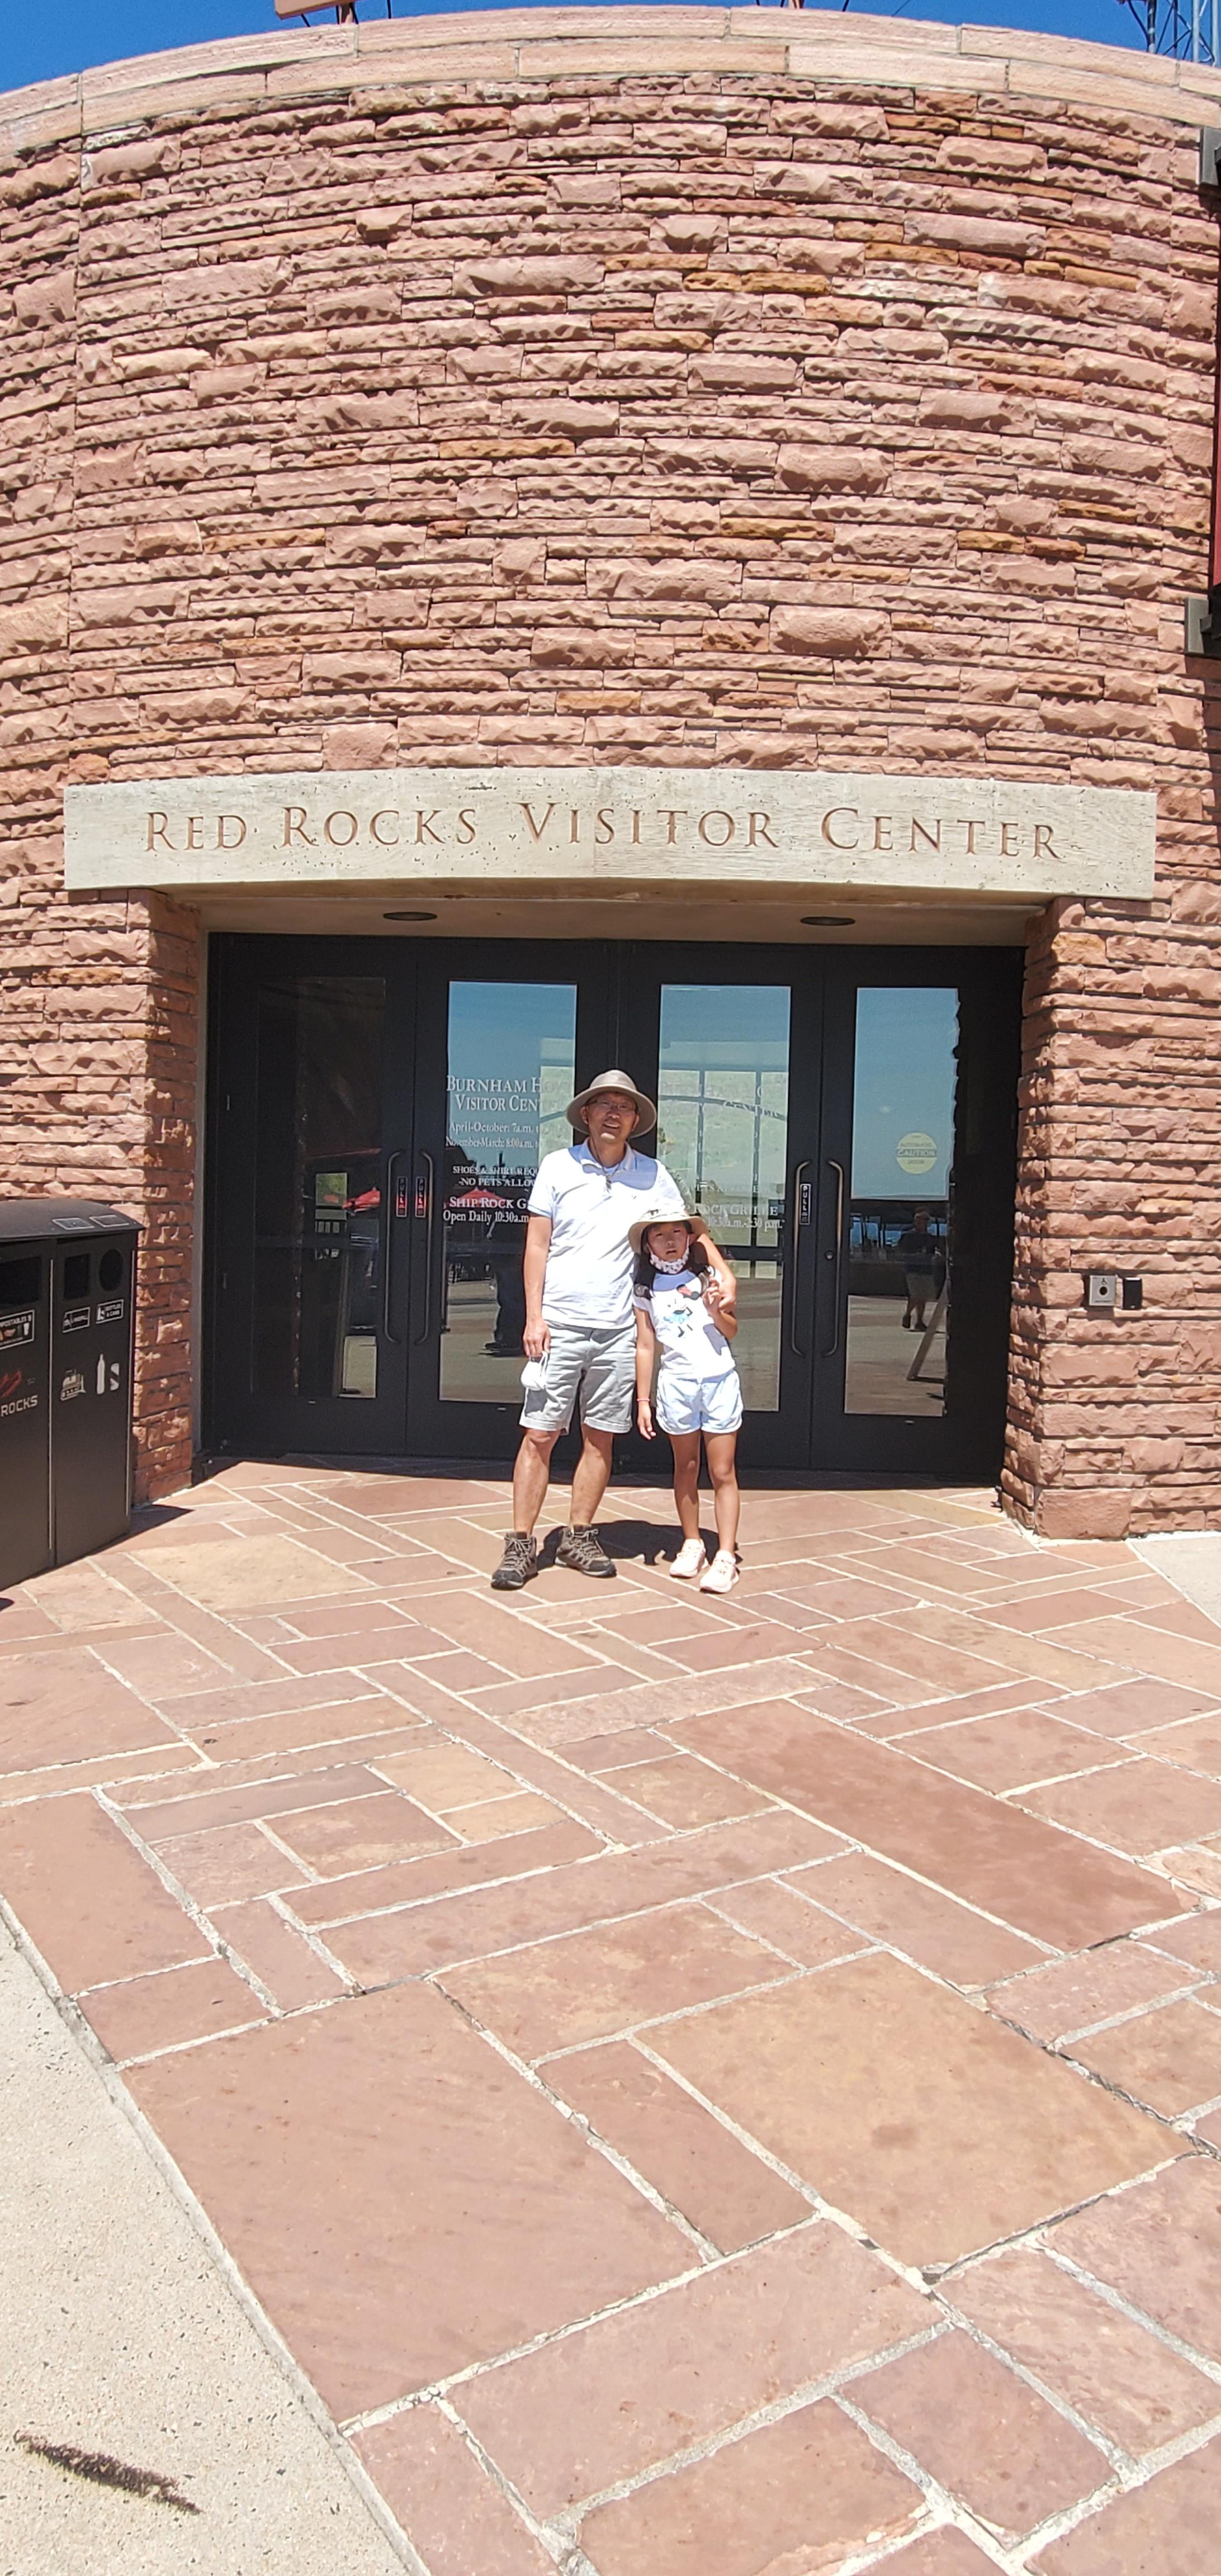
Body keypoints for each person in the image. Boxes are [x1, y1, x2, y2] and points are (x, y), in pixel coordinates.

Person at [490, 1071, 733, 1590]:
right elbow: (537, 1246)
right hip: (560, 1324)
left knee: (600, 1437)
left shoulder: (653, 1174)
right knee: (540, 1434)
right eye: (604, 1104)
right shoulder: (557, 1167)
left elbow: (686, 1229)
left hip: (621, 1327)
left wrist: (723, 1271)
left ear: (635, 1119)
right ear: (586, 1114)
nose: (614, 1114)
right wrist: (533, 1316)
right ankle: (521, 1543)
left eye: (624, 1106)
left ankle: (579, 1535)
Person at [633, 1210, 744, 1593]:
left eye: (677, 1233)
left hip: (718, 1381)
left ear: (689, 1238)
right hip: (677, 1385)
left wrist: (716, 1311)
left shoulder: (708, 1277)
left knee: (722, 1470)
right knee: (686, 1466)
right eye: (659, 1235)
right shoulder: (645, 1290)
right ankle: (692, 1542)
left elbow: (731, 1329)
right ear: (648, 1244)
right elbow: (646, 1345)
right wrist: (643, 1399)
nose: (670, 1241)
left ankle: (726, 1555)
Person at [895, 1208, 940, 1332]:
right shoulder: (908, 1236)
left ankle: (920, 1321)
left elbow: (934, 1250)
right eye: (918, 1220)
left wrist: (936, 1254)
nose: (920, 1223)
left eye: (923, 1220)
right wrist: (911, 1256)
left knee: (923, 1297)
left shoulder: (930, 1238)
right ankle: (908, 1314)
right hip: (913, 1269)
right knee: (916, 1295)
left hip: (926, 1269)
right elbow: (899, 1250)